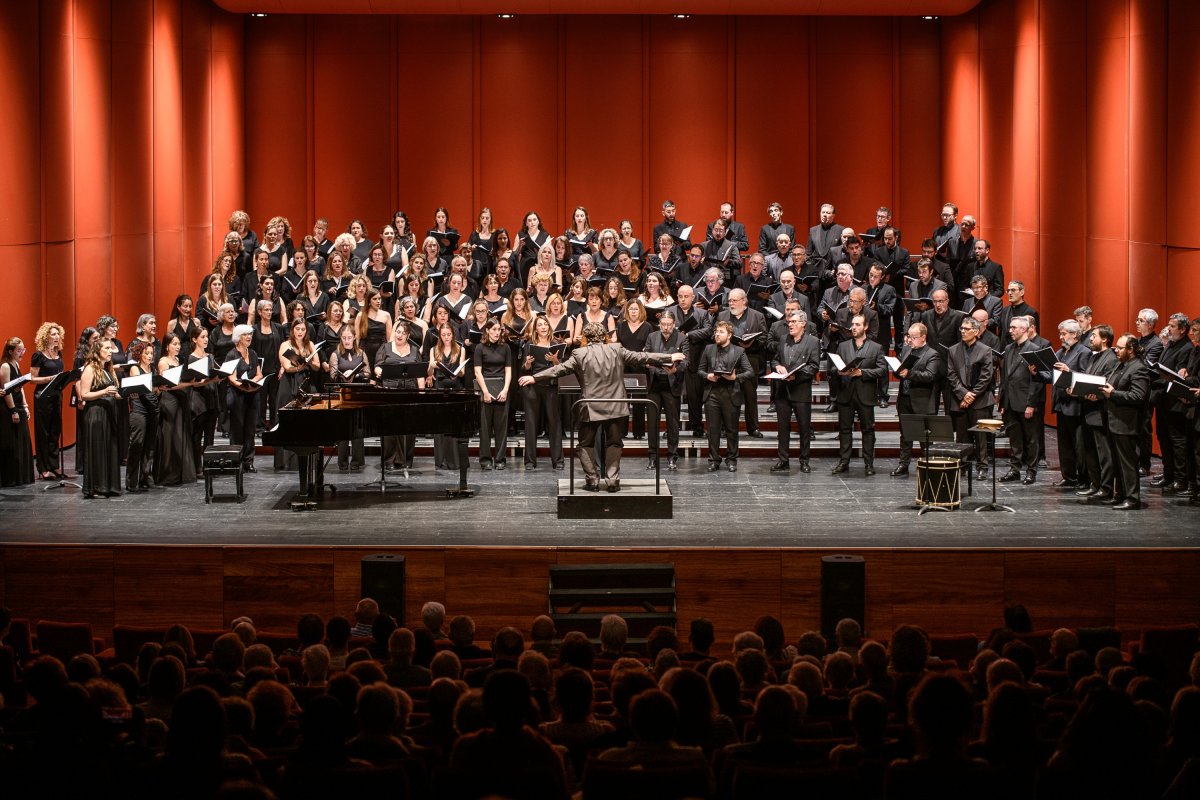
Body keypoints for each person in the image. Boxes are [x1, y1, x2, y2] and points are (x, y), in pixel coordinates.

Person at [520, 321, 683, 492]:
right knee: (614, 442)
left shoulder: (579, 353)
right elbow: (642, 357)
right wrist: (668, 357)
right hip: (616, 405)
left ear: (586, 337)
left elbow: (558, 370)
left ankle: (593, 479)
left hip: (591, 406)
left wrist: (534, 377)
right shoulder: (616, 349)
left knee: (585, 444)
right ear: (605, 336)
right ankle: (612, 481)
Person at [832, 314, 888, 476]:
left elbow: (882, 370)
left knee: (868, 430)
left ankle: (869, 463)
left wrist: (862, 372)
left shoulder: (876, 347)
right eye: (852, 325)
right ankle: (844, 462)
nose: (853, 327)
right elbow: (833, 369)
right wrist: (840, 372)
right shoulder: (842, 346)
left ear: (865, 327)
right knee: (844, 430)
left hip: (865, 394)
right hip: (846, 393)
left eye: (857, 325)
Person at [998, 317, 1051, 485]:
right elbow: (1005, 378)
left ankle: (1031, 471)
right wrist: (1002, 402)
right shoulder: (1008, 348)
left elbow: (1037, 381)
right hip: (1010, 402)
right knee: (1015, 438)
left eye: (1014, 328)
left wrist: (1031, 404)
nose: (1010, 330)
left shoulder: (1034, 350)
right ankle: (1015, 469)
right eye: (1010, 327)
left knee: (1031, 438)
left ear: (1024, 329)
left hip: (1026, 402)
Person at [1102, 334, 1151, 510]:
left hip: (1126, 423)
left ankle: (1132, 498)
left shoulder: (1138, 368)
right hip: (1114, 420)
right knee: (1117, 462)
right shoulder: (1121, 365)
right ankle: (1120, 493)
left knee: (1128, 463)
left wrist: (1113, 394)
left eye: (1120, 348)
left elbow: (1138, 396)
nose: (1116, 350)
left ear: (1130, 350)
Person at [698, 320, 754, 473]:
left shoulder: (738, 351)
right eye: (716, 331)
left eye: (721, 332)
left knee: (731, 429)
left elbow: (750, 372)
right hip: (713, 393)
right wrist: (708, 376)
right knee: (713, 430)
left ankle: (732, 459)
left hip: (731, 393)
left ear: (729, 335)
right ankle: (714, 459)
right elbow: (700, 370)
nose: (717, 334)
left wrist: (735, 378)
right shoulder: (709, 349)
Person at [890, 323, 945, 477]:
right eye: (908, 337)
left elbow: (930, 376)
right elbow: (900, 372)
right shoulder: (907, 350)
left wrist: (909, 374)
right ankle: (903, 464)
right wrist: (898, 371)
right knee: (905, 435)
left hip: (922, 400)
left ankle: (929, 464)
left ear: (923, 337)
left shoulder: (932, 354)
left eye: (913, 338)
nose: (909, 341)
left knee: (924, 436)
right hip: (905, 399)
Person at [769, 310, 820, 473]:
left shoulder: (812, 341)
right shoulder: (783, 339)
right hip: (782, 391)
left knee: (804, 428)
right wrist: (777, 366)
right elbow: (775, 358)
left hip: (800, 390)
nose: (790, 324)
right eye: (789, 322)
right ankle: (783, 460)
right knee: (782, 428)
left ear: (803, 324)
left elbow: (814, 366)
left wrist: (795, 377)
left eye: (793, 322)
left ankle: (804, 460)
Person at [374, 320, 425, 474]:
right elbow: (377, 366)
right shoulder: (385, 347)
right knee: (390, 427)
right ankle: (389, 460)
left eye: (403, 332)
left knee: (408, 427)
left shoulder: (415, 350)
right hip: (390, 391)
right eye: (398, 331)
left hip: (409, 391)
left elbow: (420, 374)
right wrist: (381, 372)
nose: (400, 335)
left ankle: (406, 460)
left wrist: (421, 393)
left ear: (408, 335)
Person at [644, 309, 689, 471]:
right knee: (652, 423)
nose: (666, 327)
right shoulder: (652, 337)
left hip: (672, 385)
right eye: (663, 324)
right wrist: (650, 364)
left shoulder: (682, 338)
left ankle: (672, 456)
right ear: (659, 324)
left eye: (669, 325)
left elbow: (686, 362)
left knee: (672, 424)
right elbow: (646, 356)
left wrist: (675, 370)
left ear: (674, 325)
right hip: (655, 384)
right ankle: (652, 457)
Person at [78, 339, 123, 497]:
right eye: (106, 348)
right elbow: (84, 395)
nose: (110, 351)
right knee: (98, 450)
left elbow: (115, 392)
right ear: (97, 351)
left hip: (107, 414)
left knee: (108, 449)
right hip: (96, 414)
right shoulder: (90, 369)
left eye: (110, 348)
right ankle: (97, 487)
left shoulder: (106, 369)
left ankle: (108, 485)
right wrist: (103, 392)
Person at [274, 319, 320, 472]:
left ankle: (304, 459)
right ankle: (285, 461)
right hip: (289, 384)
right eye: (297, 329)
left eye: (303, 329)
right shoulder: (285, 345)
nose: (300, 332)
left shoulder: (310, 344)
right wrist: (299, 365)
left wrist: (309, 363)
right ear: (292, 330)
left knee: (305, 422)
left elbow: (318, 365)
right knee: (287, 421)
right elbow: (287, 367)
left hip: (306, 383)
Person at [1050, 320, 1090, 489]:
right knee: (1064, 443)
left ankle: (1083, 478)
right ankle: (1069, 476)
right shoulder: (1060, 352)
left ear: (1074, 334)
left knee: (1078, 444)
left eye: (1064, 333)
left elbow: (1085, 377)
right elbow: (1052, 376)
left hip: (1075, 404)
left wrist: (1069, 371)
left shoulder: (1084, 352)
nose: (1061, 337)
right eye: (1060, 333)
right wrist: (1037, 372)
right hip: (1061, 403)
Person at [520, 315, 564, 470]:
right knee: (531, 423)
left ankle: (558, 461)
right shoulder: (529, 344)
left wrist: (555, 360)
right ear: (535, 328)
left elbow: (562, 368)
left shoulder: (556, 344)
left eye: (546, 324)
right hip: (532, 386)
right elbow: (524, 369)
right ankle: (530, 461)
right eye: (540, 325)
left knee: (554, 423)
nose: (543, 327)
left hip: (551, 385)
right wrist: (527, 363)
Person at [154, 332, 196, 486]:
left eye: (178, 344)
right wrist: (191, 383)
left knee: (181, 434)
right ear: (167, 346)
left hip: (181, 400)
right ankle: (168, 474)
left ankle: (180, 473)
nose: (178, 347)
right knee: (171, 435)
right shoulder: (163, 362)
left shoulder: (178, 360)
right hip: (170, 401)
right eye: (174, 344)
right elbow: (168, 385)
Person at [428, 323, 467, 471]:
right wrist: (431, 365)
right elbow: (430, 373)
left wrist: (458, 372)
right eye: (443, 335)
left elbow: (462, 372)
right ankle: (441, 460)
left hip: (455, 388)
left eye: (448, 335)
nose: (446, 338)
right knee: (440, 425)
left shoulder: (460, 349)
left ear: (453, 335)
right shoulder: (434, 349)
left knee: (454, 425)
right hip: (440, 389)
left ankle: (455, 460)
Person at [30, 322, 66, 480]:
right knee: (43, 432)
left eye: (58, 334)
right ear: (46, 337)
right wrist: (51, 378)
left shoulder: (59, 353)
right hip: (43, 397)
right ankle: (43, 467)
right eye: (53, 334)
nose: (57, 337)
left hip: (56, 396)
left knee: (54, 430)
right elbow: (32, 379)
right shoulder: (38, 355)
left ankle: (54, 465)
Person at [225, 324, 264, 472]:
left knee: (250, 430)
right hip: (237, 396)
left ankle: (249, 461)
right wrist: (245, 387)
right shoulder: (231, 355)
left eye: (250, 335)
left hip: (252, 395)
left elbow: (259, 373)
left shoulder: (252, 353)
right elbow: (232, 378)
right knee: (237, 430)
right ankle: (236, 461)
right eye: (245, 335)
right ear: (238, 338)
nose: (249, 337)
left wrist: (252, 384)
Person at [474, 319, 512, 471]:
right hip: (486, 390)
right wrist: (485, 392)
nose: (497, 333)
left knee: (501, 427)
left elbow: (508, 370)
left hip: (501, 389)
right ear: (488, 330)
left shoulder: (506, 347)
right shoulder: (480, 347)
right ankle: (485, 459)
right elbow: (478, 371)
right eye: (494, 329)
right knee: (485, 427)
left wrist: (505, 390)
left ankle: (500, 459)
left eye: (499, 330)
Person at [329, 326, 367, 472]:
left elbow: (368, 373)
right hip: (342, 394)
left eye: (349, 338)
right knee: (343, 429)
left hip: (357, 394)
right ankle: (342, 463)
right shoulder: (336, 354)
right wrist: (343, 375)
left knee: (358, 429)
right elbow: (332, 375)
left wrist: (356, 375)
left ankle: (357, 462)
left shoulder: (361, 353)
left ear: (354, 338)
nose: (346, 340)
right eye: (343, 338)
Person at [0, 337, 35, 487]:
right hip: (9, 408)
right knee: (12, 443)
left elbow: (20, 387)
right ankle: (12, 478)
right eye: (19, 350)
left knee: (22, 441)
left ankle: (22, 477)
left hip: (19, 405)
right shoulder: (6, 366)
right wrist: (13, 410)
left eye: (23, 350)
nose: (22, 353)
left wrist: (26, 406)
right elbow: (6, 391)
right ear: (10, 351)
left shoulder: (16, 364)